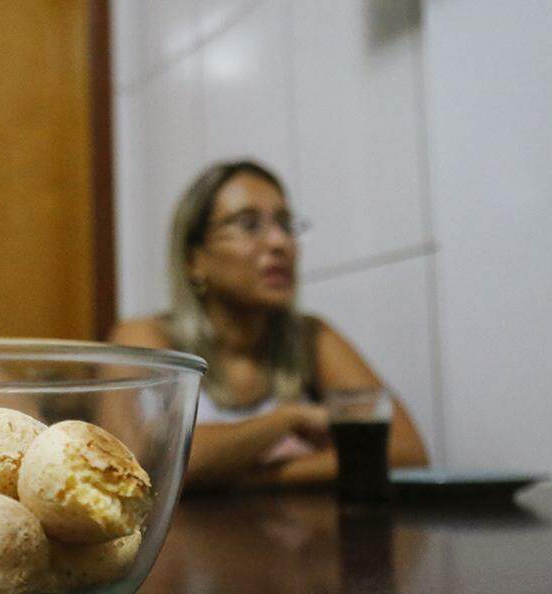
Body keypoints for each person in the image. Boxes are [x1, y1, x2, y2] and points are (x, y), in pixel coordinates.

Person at [109, 159, 428, 490]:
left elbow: (405, 451)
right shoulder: (145, 337)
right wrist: (287, 420)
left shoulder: (312, 336)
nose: (280, 243)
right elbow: (135, 466)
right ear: (194, 260)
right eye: (248, 225)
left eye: (286, 225)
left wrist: (251, 476)